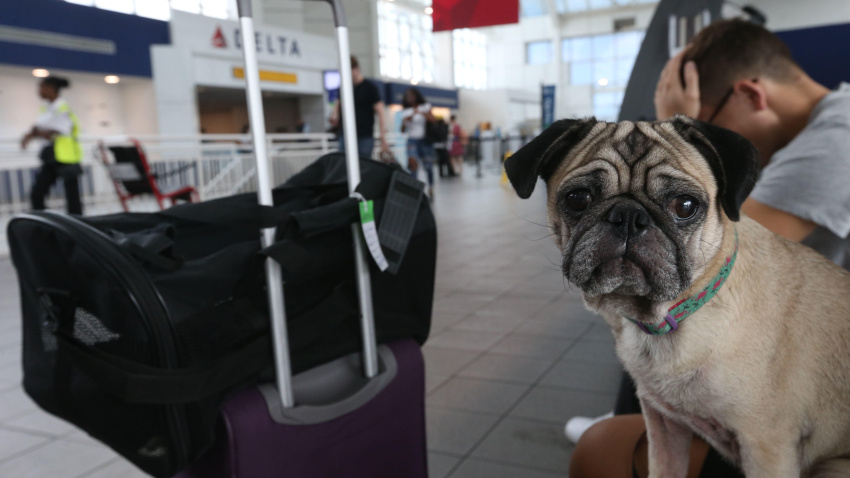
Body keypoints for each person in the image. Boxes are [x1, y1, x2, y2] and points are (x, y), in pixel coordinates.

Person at [568, 18, 850, 478]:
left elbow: (722, 244)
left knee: (597, 453)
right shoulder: (818, 123)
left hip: (800, 399)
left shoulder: (837, 143)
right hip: (781, 365)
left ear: (751, 96)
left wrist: (683, 129)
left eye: (706, 126)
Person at [20, 76, 83, 215]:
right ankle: (42, 224)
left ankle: (77, 226)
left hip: (66, 158)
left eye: (42, 87)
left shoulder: (62, 108)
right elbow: (40, 129)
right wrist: (31, 134)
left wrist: (36, 133)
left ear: (51, 88)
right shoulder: (46, 108)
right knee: (37, 194)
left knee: (73, 199)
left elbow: (53, 133)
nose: (39, 91)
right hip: (50, 156)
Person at [329, 55, 390, 159]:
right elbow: (337, 105)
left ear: (356, 69)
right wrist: (335, 116)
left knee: (363, 166)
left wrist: (383, 138)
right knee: (343, 164)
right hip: (346, 135)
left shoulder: (370, 88)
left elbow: (380, 112)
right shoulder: (344, 87)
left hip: (364, 136)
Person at [401, 88, 437, 197]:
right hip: (412, 139)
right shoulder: (406, 111)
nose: (409, 98)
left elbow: (433, 120)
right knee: (412, 165)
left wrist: (420, 113)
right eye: (408, 96)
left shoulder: (425, 107)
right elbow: (402, 129)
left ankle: (431, 186)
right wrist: (408, 119)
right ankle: (415, 189)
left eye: (411, 96)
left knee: (428, 166)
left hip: (424, 140)